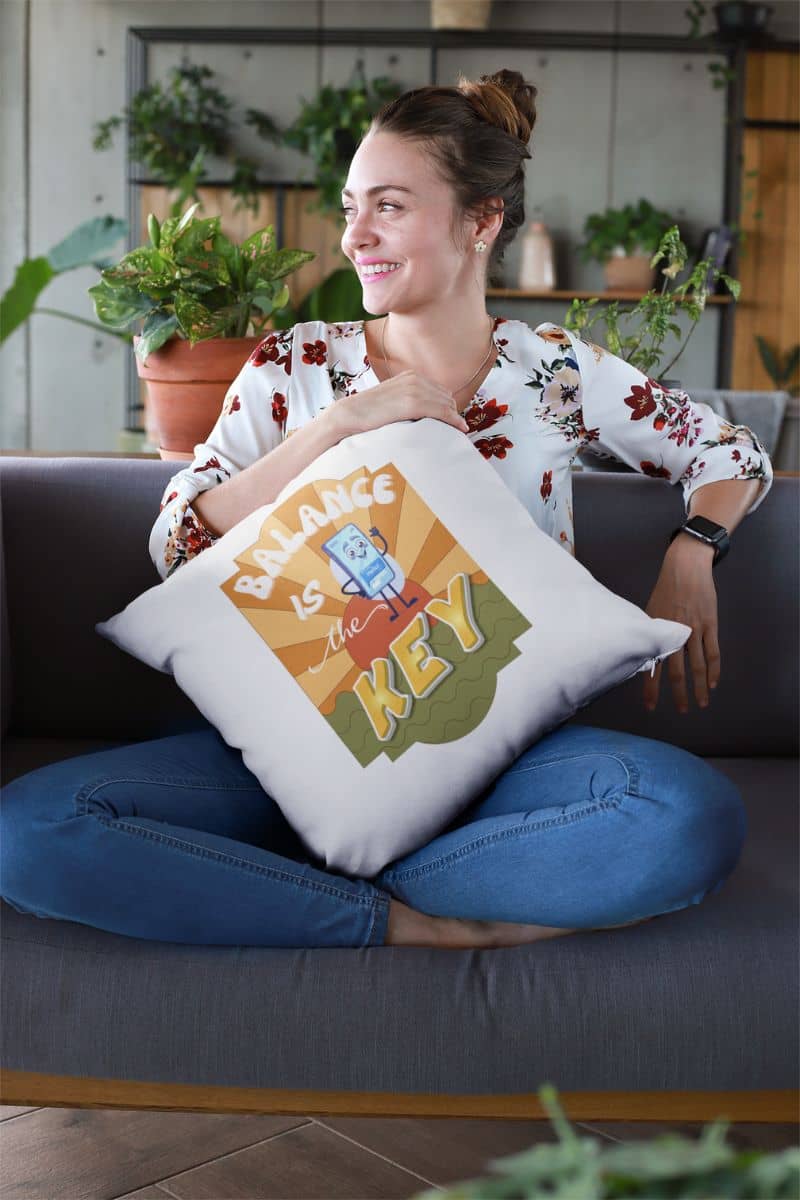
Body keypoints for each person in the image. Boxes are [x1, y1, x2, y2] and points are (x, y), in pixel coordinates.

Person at [0, 70, 773, 952]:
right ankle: (400, 920)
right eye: (349, 207)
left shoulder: (555, 372)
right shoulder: (296, 365)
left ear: (481, 221)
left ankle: (330, 877)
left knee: (685, 815)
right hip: (286, 752)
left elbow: (729, 452)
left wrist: (692, 551)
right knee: (32, 830)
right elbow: (179, 540)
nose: (355, 236)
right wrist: (335, 427)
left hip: (499, 762)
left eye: (391, 206)